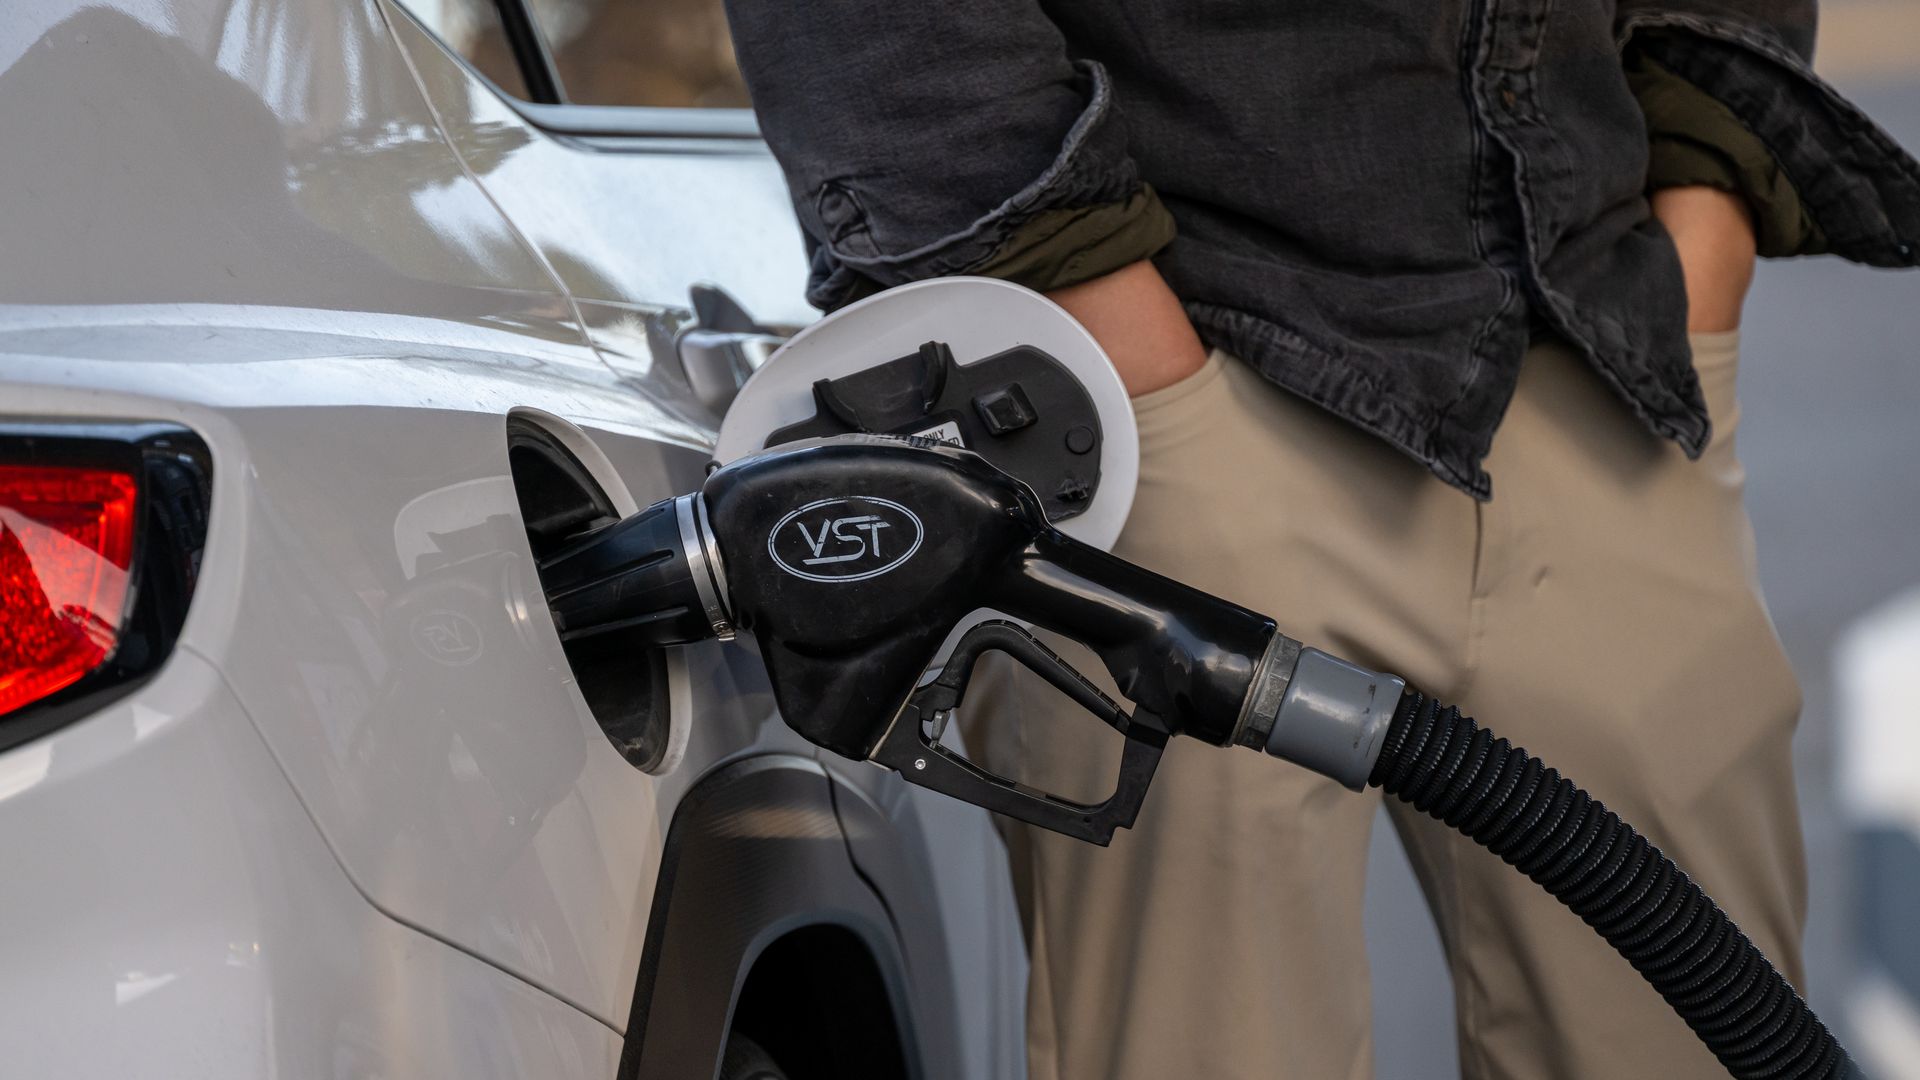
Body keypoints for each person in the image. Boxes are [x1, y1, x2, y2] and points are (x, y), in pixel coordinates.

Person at [719, 3, 1920, 1076]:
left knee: (1696, 1030)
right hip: (1169, 378)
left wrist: (1703, 221)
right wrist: (1114, 358)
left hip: (1599, 349)